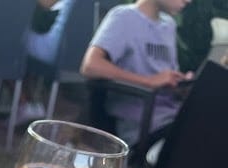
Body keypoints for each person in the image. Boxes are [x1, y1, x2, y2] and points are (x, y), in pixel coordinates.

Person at [80, 0, 193, 147]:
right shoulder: (124, 17)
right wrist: (148, 81)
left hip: (173, 118)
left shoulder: (169, 25)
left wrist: (181, 85)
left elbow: (164, 76)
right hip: (145, 127)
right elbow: (90, 65)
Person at [15, 0, 72, 124]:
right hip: (72, 55)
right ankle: (30, 103)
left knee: (8, 43)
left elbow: (44, 3)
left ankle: (24, 103)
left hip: (51, 50)